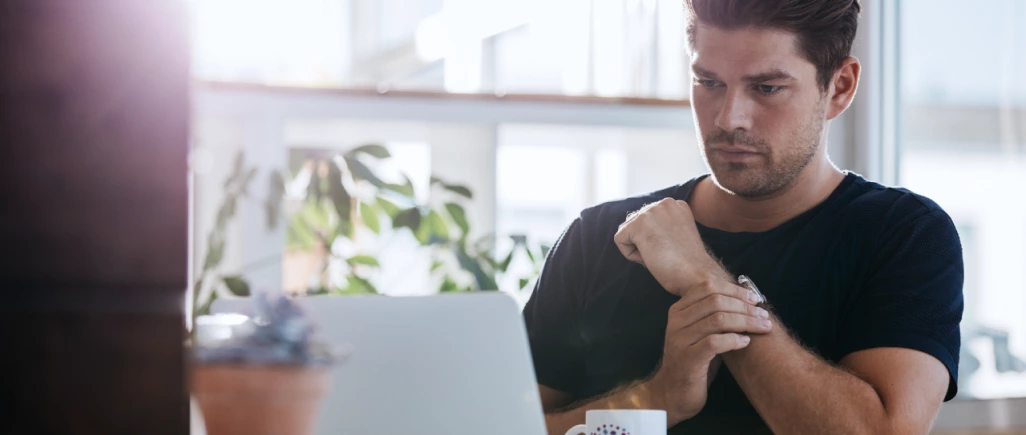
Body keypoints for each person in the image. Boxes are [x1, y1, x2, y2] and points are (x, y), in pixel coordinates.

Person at [523, 0, 964, 433]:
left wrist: (704, 281)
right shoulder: (599, 238)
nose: (729, 117)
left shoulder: (905, 234)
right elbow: (501, 425)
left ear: (840, 87)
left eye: (766, 88)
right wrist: (655, 401)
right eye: (709, 82)